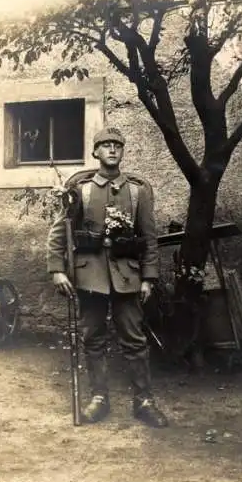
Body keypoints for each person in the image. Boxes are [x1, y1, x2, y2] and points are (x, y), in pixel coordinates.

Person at [46, 127, 168, 428]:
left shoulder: (138, 191)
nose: (112, 150)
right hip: (90, 277)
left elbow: (149, 239)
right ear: (95, 152)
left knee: (135, 339)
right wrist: (57, 269)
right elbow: (60, 233)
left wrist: (149, 278)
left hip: (127, 275)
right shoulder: (81, 189)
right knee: (93, 338)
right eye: (105, 145)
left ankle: (144, 401)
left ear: (123, 151)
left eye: (117, 145)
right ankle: (99, 399)